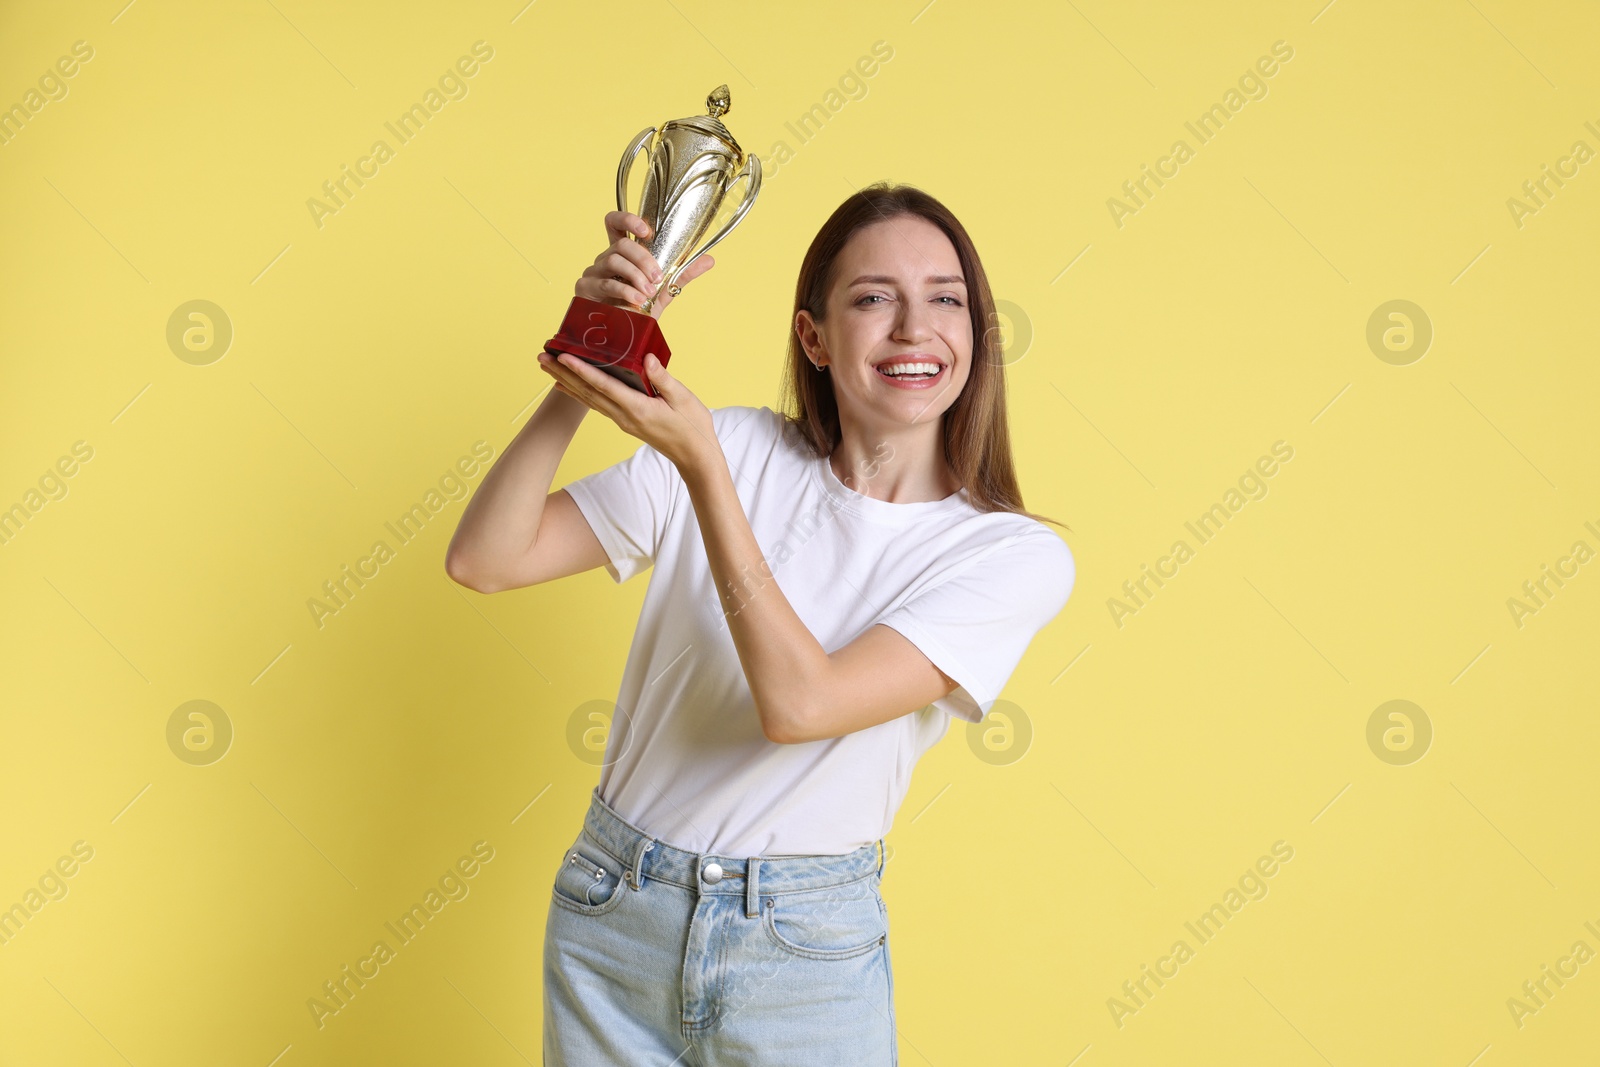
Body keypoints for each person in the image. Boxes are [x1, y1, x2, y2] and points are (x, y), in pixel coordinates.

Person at [445, 182, 1076, 1066]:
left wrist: (703, 469)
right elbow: (487, 557)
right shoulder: (737, 443)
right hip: (611, 911)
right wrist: (587, 355)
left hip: (800, 948)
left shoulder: (1009, 557)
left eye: (945, 298)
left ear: (976, 333)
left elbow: (800, 705)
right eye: (872, 298)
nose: (913, 329)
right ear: (812, 338)